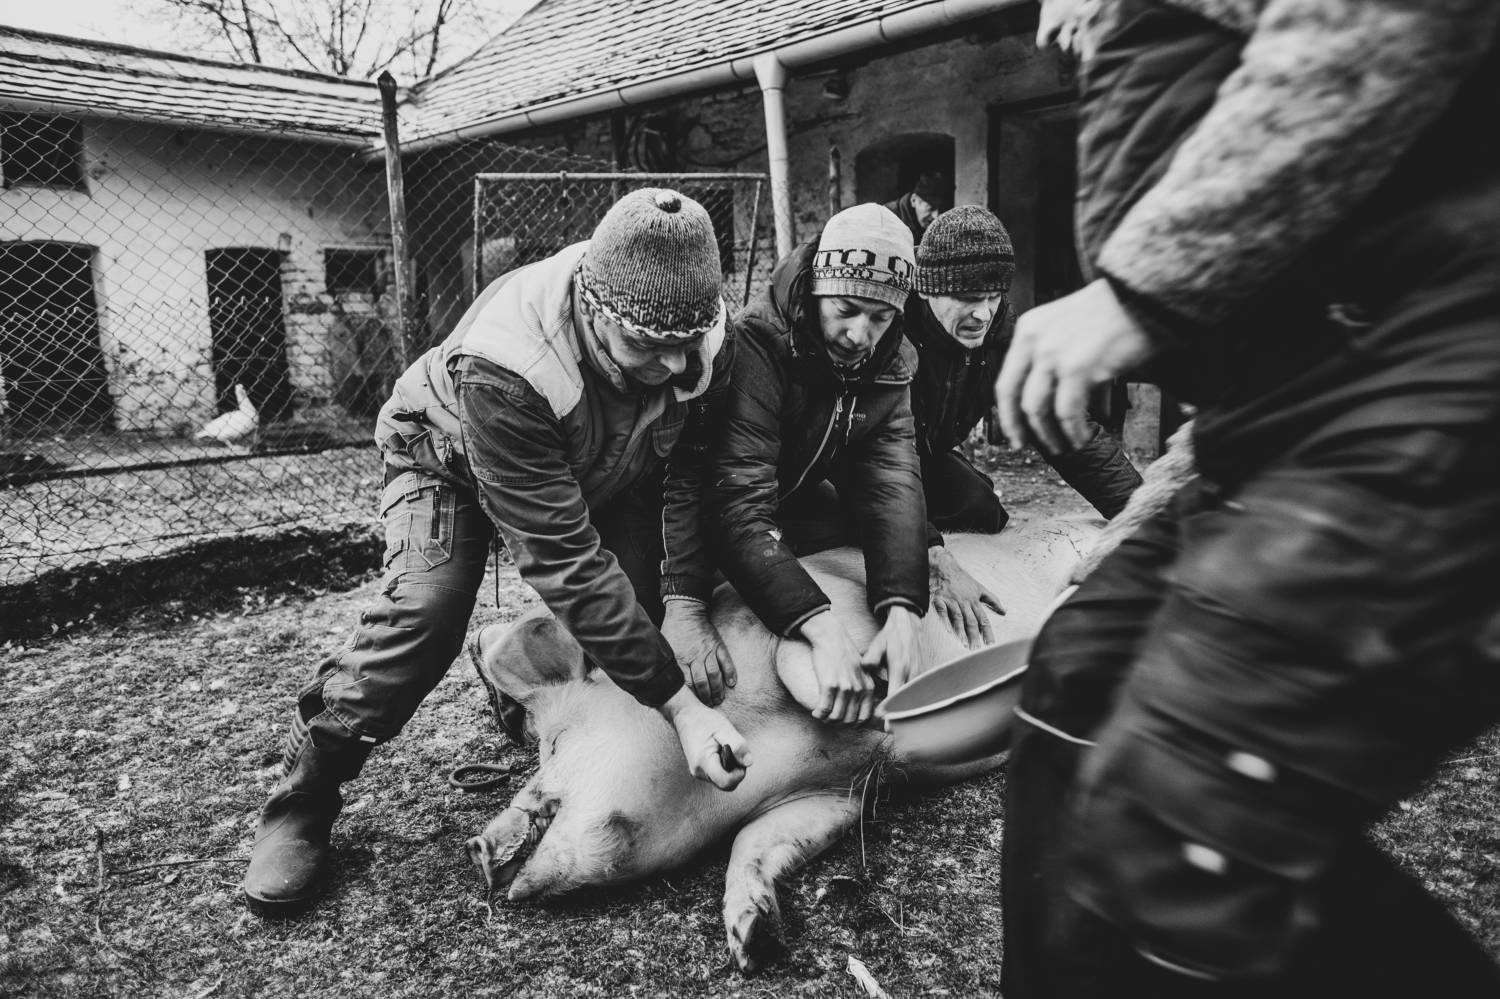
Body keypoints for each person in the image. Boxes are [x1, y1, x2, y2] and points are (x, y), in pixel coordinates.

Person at [996, 1, 1500, 996]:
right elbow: (1288, 315)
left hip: (1435, 380)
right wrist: (1150, 511)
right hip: (1285, 409)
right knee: (1078, 684)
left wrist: (1145, 288)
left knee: (1178, 836)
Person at [243, 188, 753, 914]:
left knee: (634, 624)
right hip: (446, 458)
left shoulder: (700, 333)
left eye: (688, 342)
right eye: (647, 345)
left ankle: (525, 696)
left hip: (605, 463)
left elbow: (688, 469)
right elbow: (565, 560)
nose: (675, 365)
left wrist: (681, 601)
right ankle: (305, 794)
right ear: (595, 309)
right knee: (427, 616)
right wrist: (681, 705)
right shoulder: (509, 361)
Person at [709, 203, 930, 727]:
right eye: (846, 308)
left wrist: (903, 608)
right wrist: (823, 628)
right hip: (701, 508)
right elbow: (735, 501)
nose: (859, 335)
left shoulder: (891, 362)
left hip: (792, 497)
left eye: (881, 317)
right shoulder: (758, 342)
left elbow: (892, 486)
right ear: (816, 290)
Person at [907, 205, 1141, 645]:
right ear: (928, 290)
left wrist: (1141, 513)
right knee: (857, 526)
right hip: (858, 460)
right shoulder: (889, 333)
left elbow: (1064, 430)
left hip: (925, 453)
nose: (983, 313)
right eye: (968, 297)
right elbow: (879, 463)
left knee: (980, 506)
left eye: (993, 296)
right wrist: (928, 553)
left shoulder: (1001, 336)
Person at [883, 170, 952, 243]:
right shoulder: (887, 218)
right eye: (931, 209)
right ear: (913, 200)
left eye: (940, 210)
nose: (936, 216)